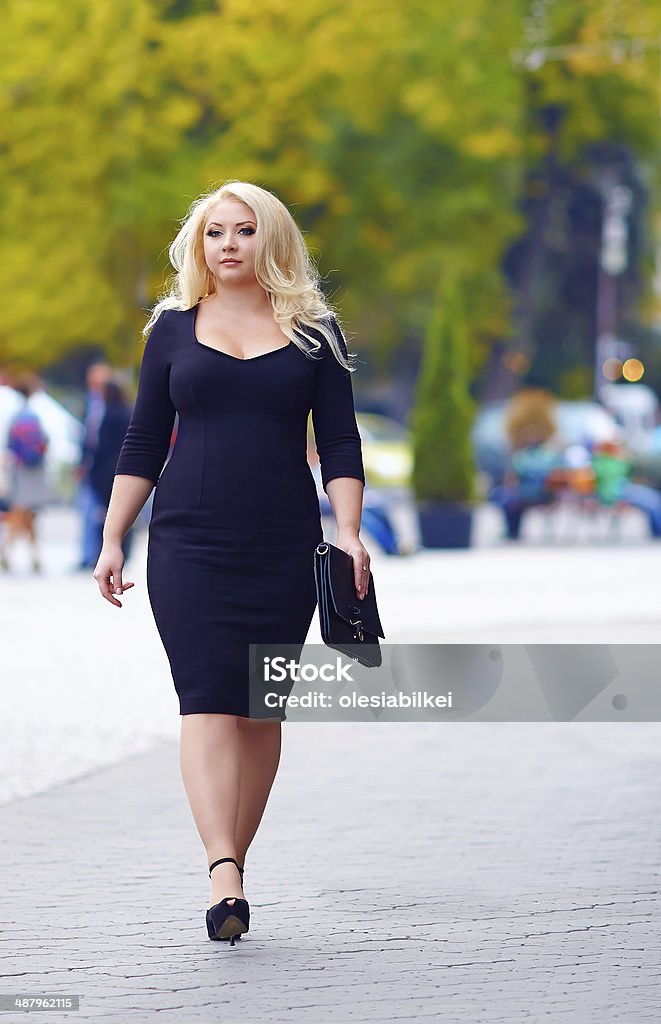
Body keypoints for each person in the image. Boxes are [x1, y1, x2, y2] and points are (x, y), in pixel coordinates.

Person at [93, 180, 369, 946]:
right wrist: (115, 537)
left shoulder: (316, 333)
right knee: (207, 697)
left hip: (282, 542)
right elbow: (143, 442)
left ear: (270, 240)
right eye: (215, 233)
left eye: (244, 231)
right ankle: (223, 871)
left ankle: (232, 868)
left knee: (261, 709)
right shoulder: (173, 330)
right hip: (188, 541)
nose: (228, 246)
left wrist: (348, 532)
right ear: (198, 245)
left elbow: (341, 443)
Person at [0, 377, 51, 572]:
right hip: (34, 470)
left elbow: (9, 444)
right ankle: (27, 554)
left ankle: (20, 553)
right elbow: (45, 441)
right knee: (24, 512)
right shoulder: (34, 415)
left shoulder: (14, 415)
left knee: (24, 512)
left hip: (19, 468)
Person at [87, 378, 135, 563]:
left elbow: (102, 446)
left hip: (107, 471)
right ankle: (125, 551)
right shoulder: (127, 412)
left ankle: (105, 551)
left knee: (106, 513)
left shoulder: (109, 415)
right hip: (124, 466)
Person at [74, 362, 112, 570]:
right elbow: (86, 435)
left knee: (102, 512)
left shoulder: (113, 404)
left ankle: (99, 553)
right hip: (91, 464)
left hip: (106, 465)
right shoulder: (88, 402)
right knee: (86, 510)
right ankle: (87, 554)